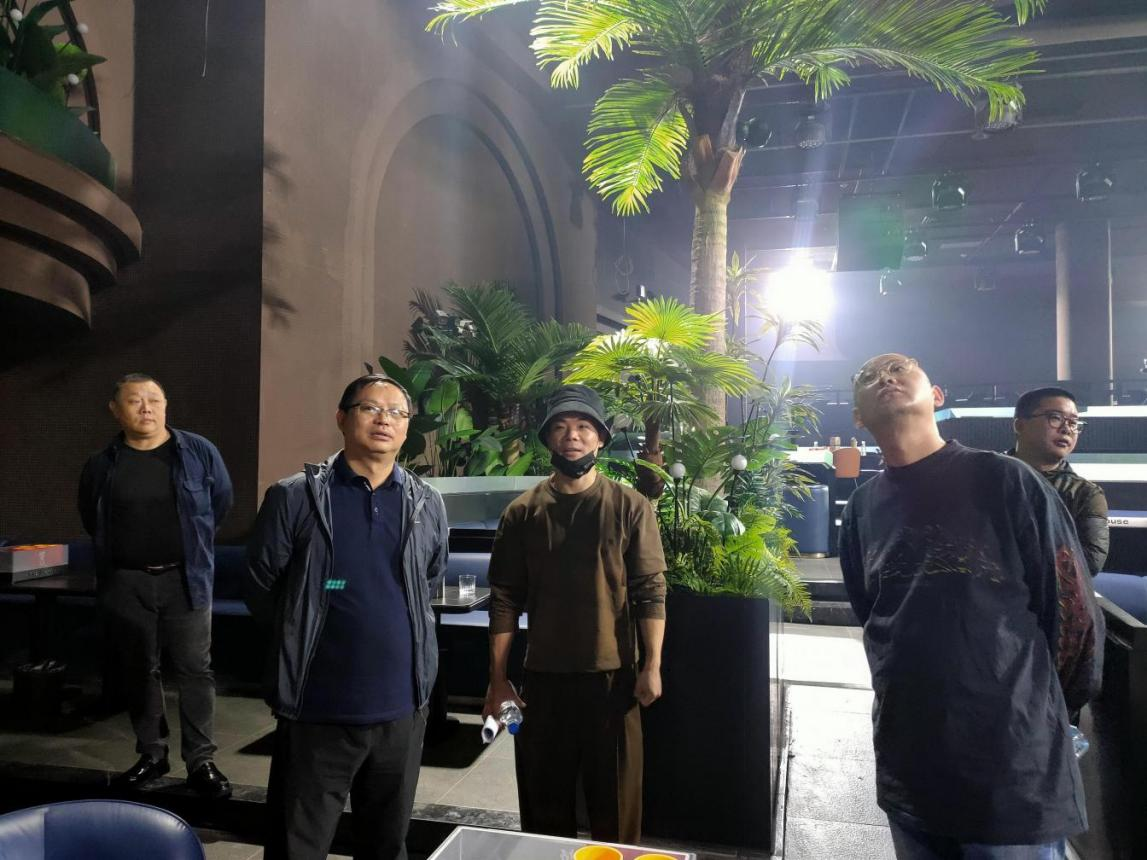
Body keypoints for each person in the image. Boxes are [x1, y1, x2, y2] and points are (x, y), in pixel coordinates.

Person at [838, 354, 1104, 860]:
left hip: (1012, 772)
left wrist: (1038, 713)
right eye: (869, 378)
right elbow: (871, 615)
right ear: (857, 416)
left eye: (899, 368)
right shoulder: (862, 509)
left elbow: (1072, 614)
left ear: (937, 396)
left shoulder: (1005, 480)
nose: (885, 378)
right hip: (909, 767)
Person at [246, 374, 448, 860]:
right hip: (318, 709)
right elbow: (260, 586)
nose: (384, 420)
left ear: (407, 428)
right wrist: (312, 617)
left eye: (396, 412)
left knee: (386, 846)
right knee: (298, 846)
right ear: (342, 418)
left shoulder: (426, 502)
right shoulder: (296, 497)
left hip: (401, 710)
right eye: (370, 408)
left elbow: (428, 580)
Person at [485, 384, 667, 844]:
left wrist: (652, 665)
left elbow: (650, 590)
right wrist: (498, 680)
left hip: (613, 679)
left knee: (616, 806)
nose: (572, 436)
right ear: (548, 438)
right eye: (561, 427)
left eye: (584, 426)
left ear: (601, 438)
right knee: (544, 807)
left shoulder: (630, 506)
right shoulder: (522, 513)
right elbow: (504, 599)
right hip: (542, 681)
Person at [78, 373, 233, 797]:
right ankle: (151, 752)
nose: (146, 407)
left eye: (154, 399)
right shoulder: (102, 464)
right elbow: (92, 518)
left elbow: (220, 504)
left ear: (166, 406)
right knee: (138, 669)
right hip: (126, 581)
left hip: (185, 578)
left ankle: (201, 760)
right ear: (116, 410)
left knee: (195, 669)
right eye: (135, 401)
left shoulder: (198, 452)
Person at [1009, 387, 1109, 575]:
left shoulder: (1085, 494)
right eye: (1055, 418)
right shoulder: (987, 476)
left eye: (1074, 423)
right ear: (1020, 425)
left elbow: (1089, 563)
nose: (1067, 429)